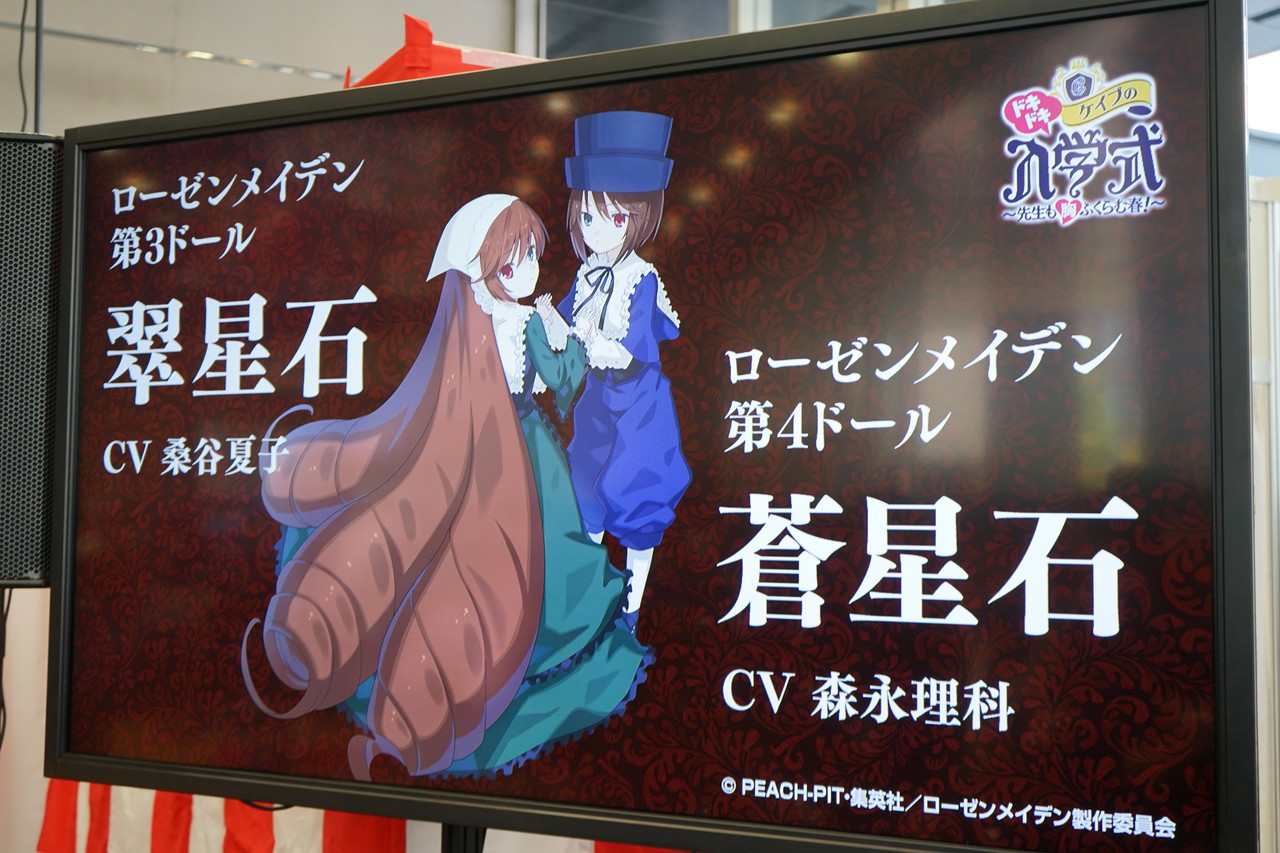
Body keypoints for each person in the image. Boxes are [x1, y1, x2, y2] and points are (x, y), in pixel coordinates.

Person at [242, 194, 648, 779]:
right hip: (524, 448)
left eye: (531, 256)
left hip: (482, 443)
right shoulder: (527, 322)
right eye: (512, 261)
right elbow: (562, 384)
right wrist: (572, 345)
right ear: (484, 271)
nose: (528, 271)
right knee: (536, 547)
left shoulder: (468, 323)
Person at [559, 110, 692, 618]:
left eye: (616, 219)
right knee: (585, 488)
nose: (597, 232)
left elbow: (631, 348)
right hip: (597, 402)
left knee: (637, 497)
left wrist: (589, 343)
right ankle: (589, 603)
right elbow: (566, 322)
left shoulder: (642, 279)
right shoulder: (588, 272)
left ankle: (630, 611)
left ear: (640, 218)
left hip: (638, 406)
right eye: (588, 217)